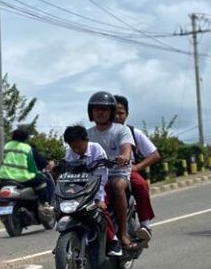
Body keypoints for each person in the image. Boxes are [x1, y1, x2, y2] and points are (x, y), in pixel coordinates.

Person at [85, 90, 137, 250]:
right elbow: (75, 152)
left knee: (117, 186)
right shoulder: (87, 134)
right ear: (91, 112)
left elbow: (126, 148)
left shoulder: (121, 130)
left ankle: (123, 233)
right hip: (95, 177)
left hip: (117, 173)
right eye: (96, 109)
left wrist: (124, 156)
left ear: (111, 112)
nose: (100, 112)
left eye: (104, 109)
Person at [113, 95, 159, 241]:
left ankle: (145, 225)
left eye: (121, 113)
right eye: (114, 112)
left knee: (140, 185)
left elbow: (154, 154)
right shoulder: (98, 132)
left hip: (124, 171)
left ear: (127, 114)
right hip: (102, 172)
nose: (117, 116)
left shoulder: (133, 132)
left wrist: (137, 167)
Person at [2, 125, 54, 208]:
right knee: (45, 182)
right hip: (22, 177)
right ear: (26, 139)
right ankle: (45, 204)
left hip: (6, 176)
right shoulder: (27, 148)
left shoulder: (7, 147)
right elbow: (36, 164)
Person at [57, 124, 108, 206]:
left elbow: (101, 179)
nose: (76, 150)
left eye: (79, 146)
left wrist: (99, 199)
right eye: (73, 148)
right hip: (78, 190)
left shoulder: (96, 149)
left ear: (86, 140)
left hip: (96, 188)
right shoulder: (69, 153)